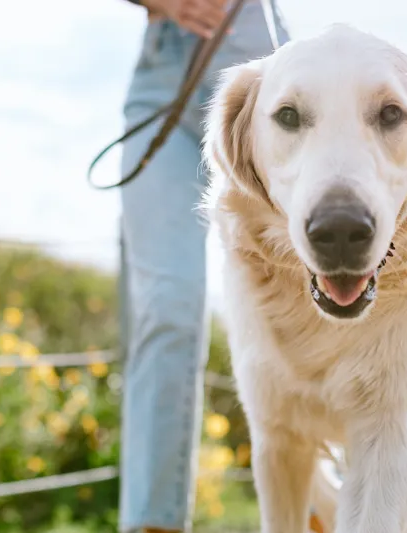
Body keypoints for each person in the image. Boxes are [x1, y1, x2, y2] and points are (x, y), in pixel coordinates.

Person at [112, 0, 290, 532]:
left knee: (298, 308)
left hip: (262, 71)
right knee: (168, 302)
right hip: (164, 83)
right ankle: (152, 524)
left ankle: (319, 505)